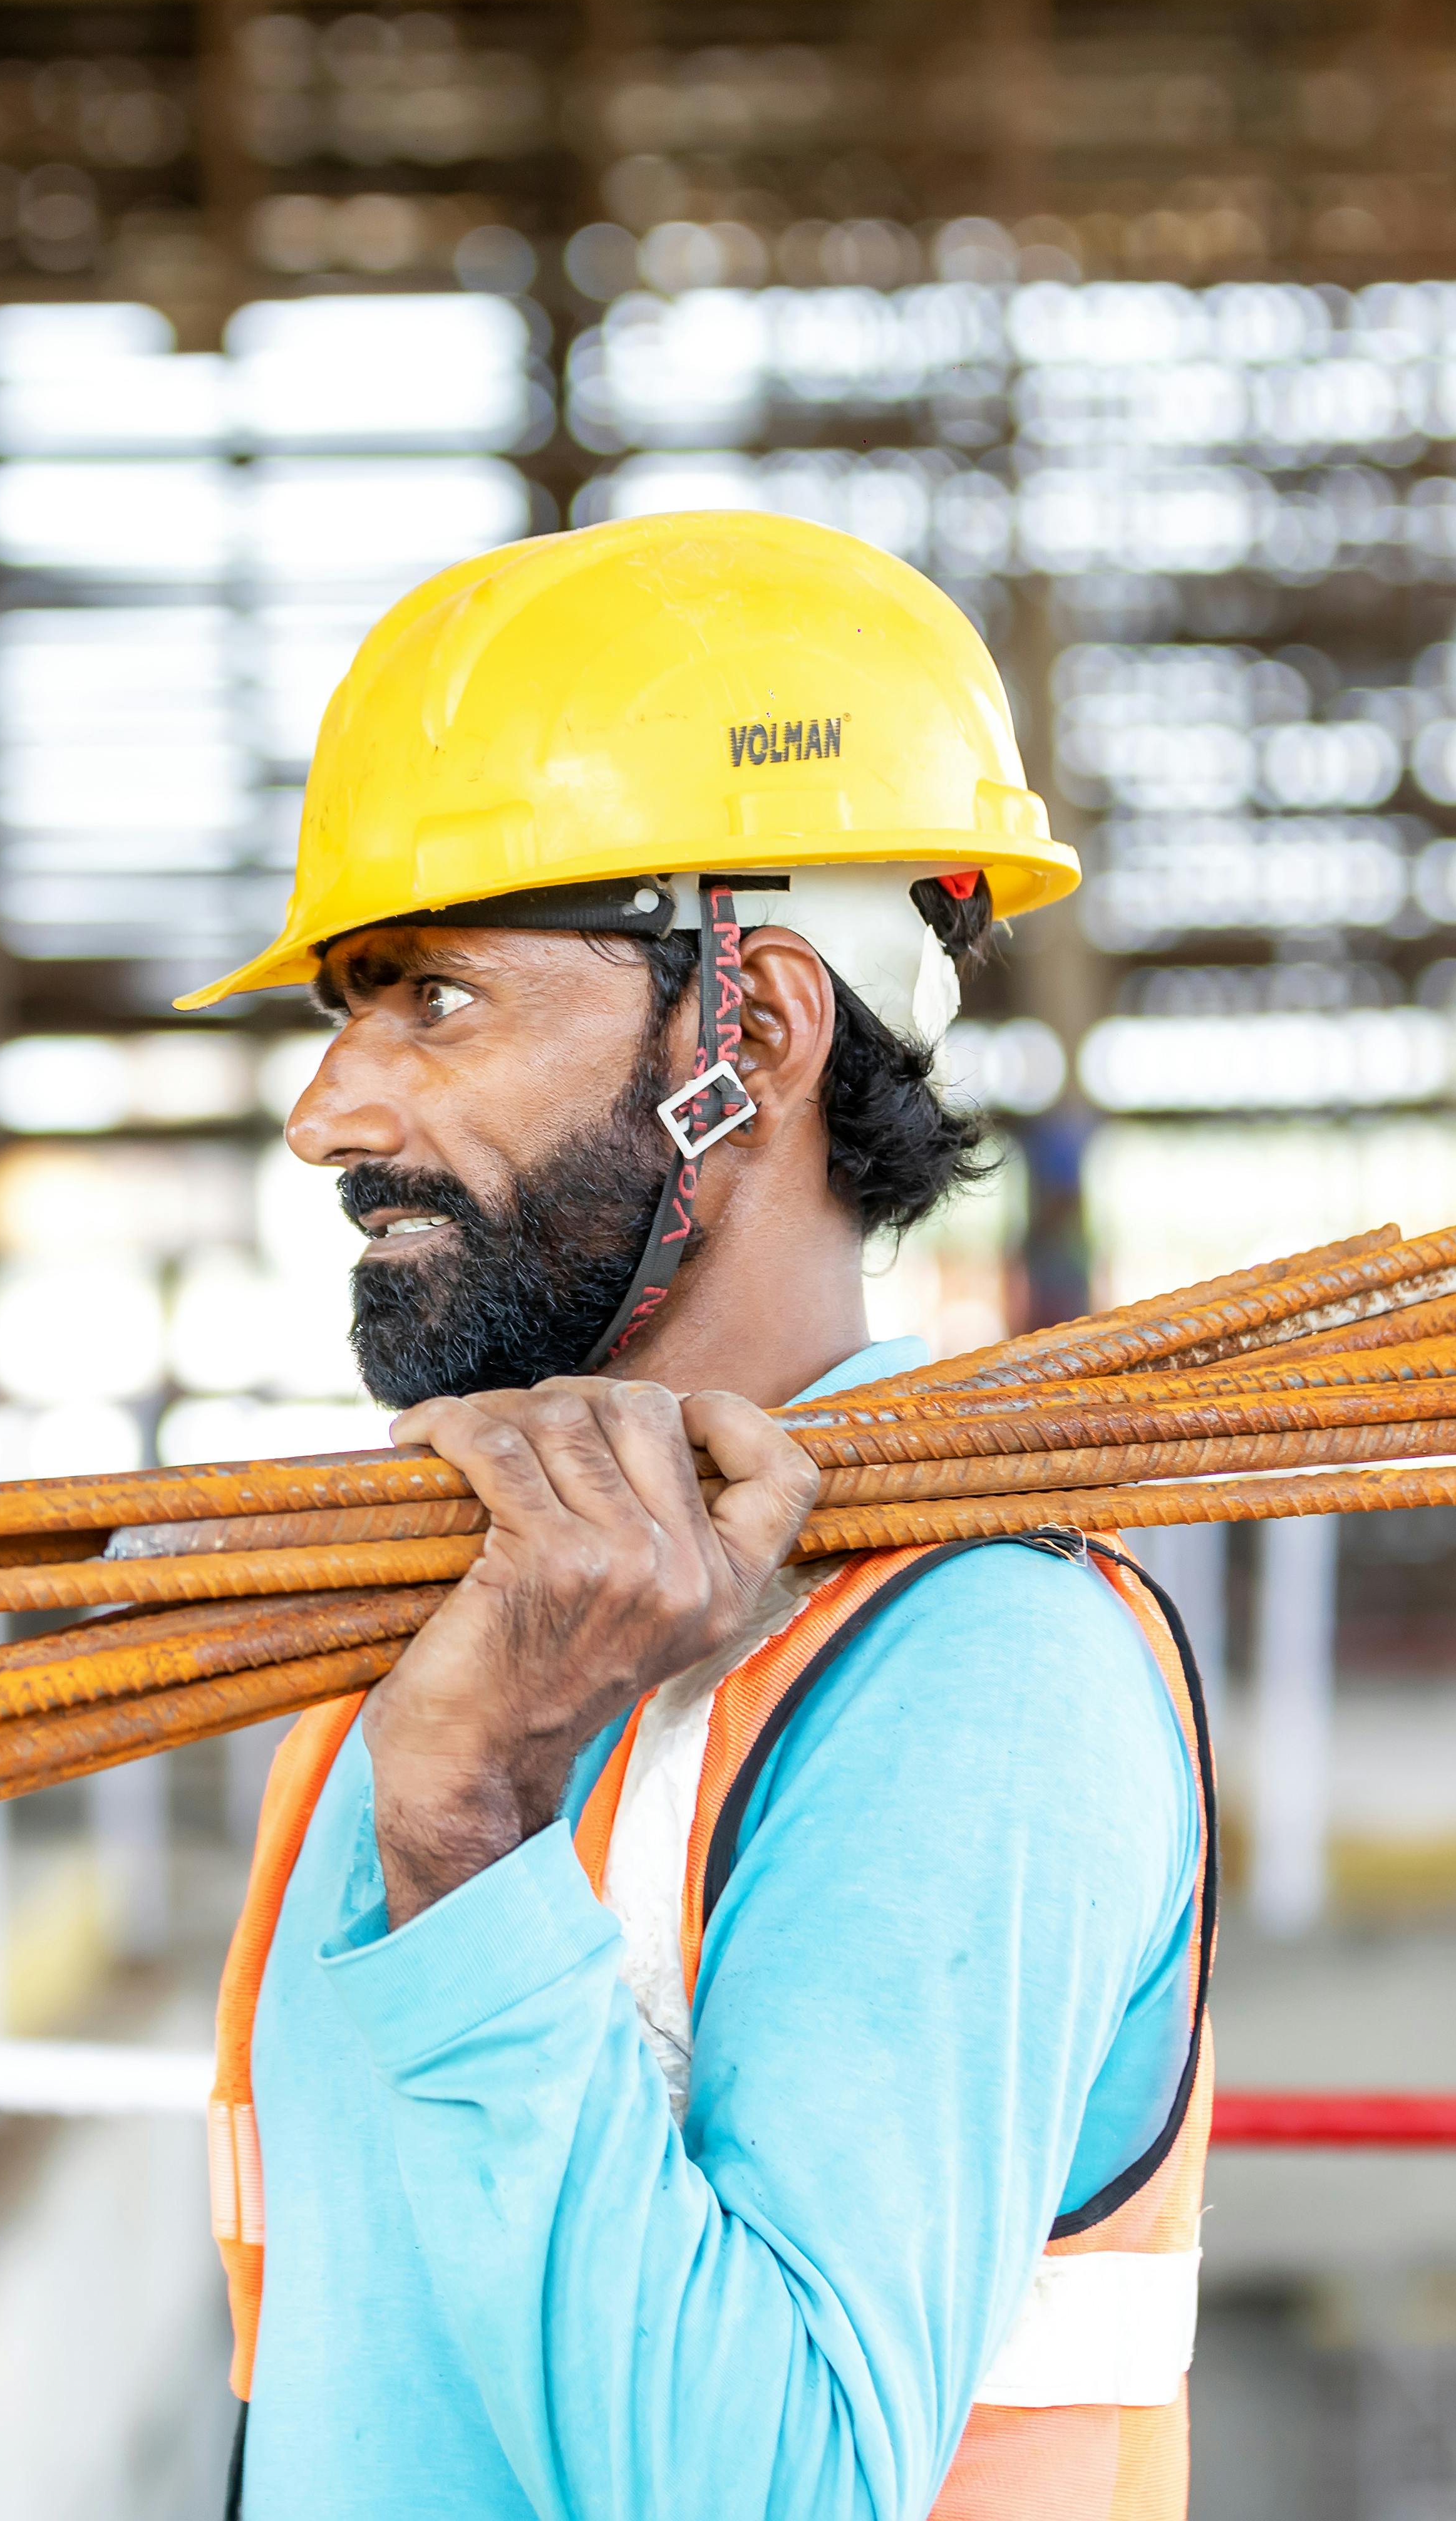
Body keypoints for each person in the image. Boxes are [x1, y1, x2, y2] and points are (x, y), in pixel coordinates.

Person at [175, 510, 1217, 2520]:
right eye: (343, 1010)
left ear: (748, 1038)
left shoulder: (974, 1666)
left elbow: (782, 2488)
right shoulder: (442, 1608)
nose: (332, 1110)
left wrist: (474, 1828)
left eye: (438, 1002)